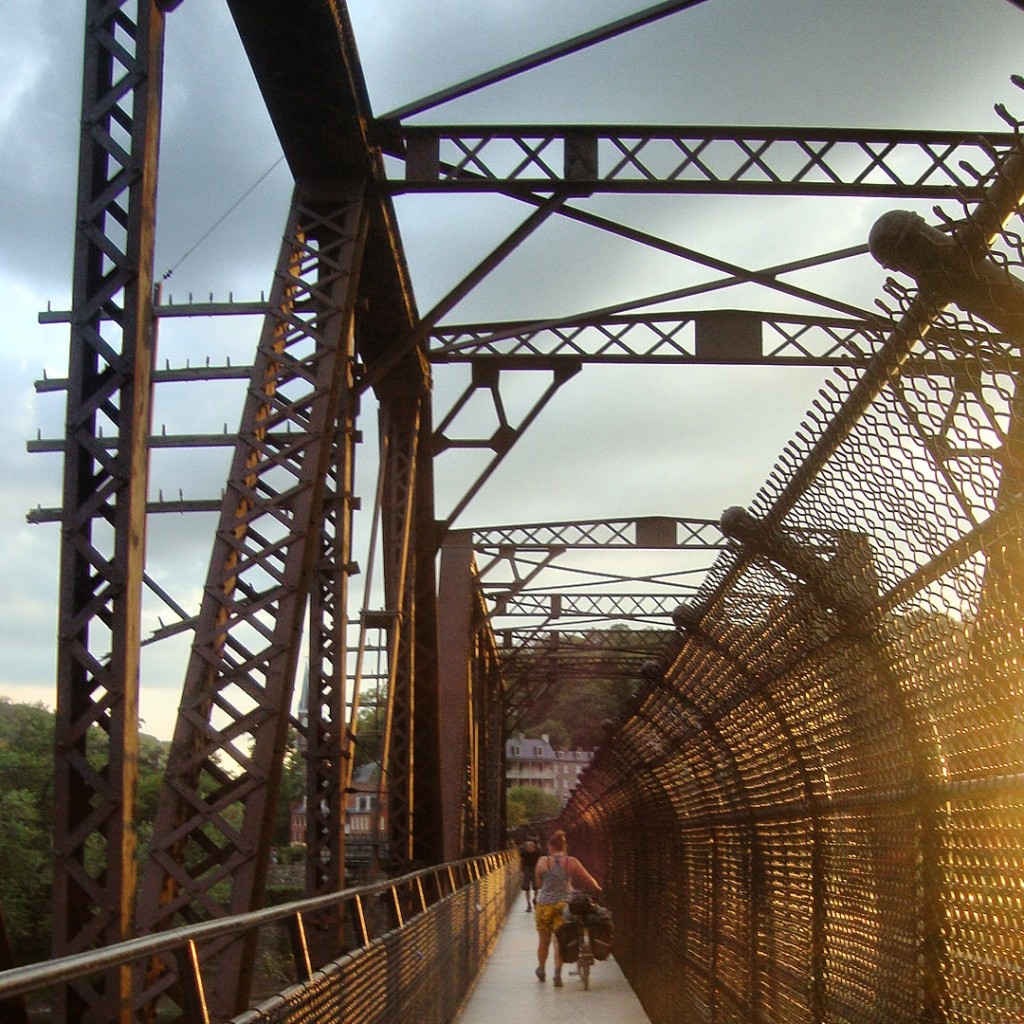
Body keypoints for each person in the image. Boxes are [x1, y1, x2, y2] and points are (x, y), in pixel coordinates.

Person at [532, 830, 601, 987]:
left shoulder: (543, 861)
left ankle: (542, 969)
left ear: (550, 846)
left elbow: (538, 885)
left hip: (544, 905)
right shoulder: (572, 862)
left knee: (544, 941)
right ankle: (557, 972)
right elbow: (588, 878)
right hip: (564, 905)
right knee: (560, 940)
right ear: (564, 846)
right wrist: (598, 887)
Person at [518, 837, 541, 911]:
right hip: (526, 870)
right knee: (526, 889)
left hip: (535, 870)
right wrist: (521, 871)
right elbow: (521, 862)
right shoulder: (524, 853)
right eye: (528, 847)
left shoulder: (537, 853)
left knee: (536, 888)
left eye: (531, 847)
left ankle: (535, 900)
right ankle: (529, 905)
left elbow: (540, 862)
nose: (529, 848)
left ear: (534, 847)